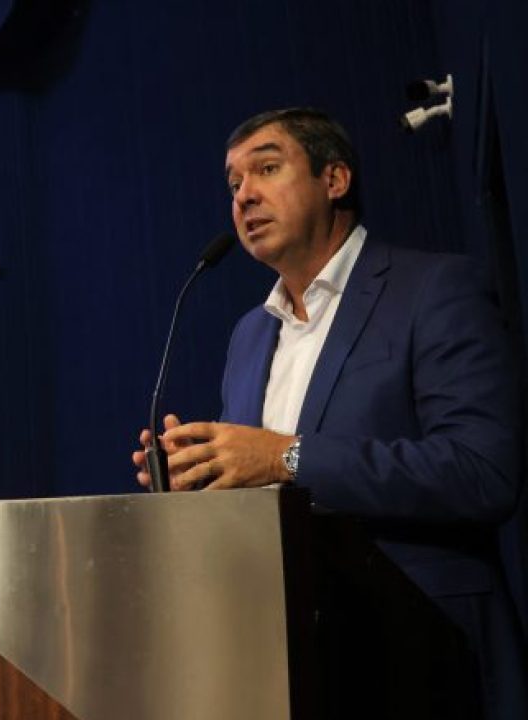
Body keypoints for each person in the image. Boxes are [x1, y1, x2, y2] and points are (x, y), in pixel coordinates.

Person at [133, 107, 526, 717]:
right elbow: (259, 494)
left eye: (266, 168)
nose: (244, 197)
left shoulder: (435, 290)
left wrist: (286, 457)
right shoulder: (249, 336)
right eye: (233, 184)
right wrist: (199, 477)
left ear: (334, 179)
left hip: (428, 660)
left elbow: (483, 473)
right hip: (291, 660)